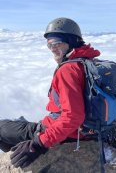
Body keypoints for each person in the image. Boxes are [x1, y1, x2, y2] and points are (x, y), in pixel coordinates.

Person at [0, 17, 100, 169]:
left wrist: (38, 144)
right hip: (88, 131)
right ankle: (19, 153)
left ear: (71, 41)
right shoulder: (89, 62)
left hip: (65, 133)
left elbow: (73, 117)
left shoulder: (68, 70)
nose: (52, 48)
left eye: (57, 43)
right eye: (49, 45)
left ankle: (18, 159)